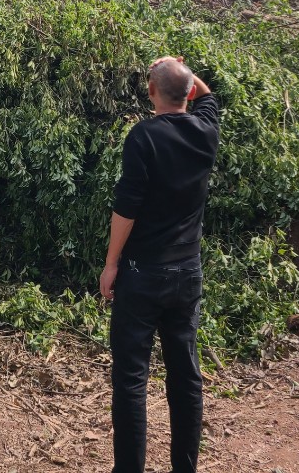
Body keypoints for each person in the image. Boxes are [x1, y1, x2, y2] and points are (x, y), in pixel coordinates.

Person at [100, 55, 219, 473]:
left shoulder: (143, 136)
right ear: (188, 91)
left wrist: (111, 263)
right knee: (186, 378)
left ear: (150, 92)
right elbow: (205, 96)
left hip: (141, 274)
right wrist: (177, 69)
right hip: (187, 274)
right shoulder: (207, 130)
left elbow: (126, 208)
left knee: (131, 380)